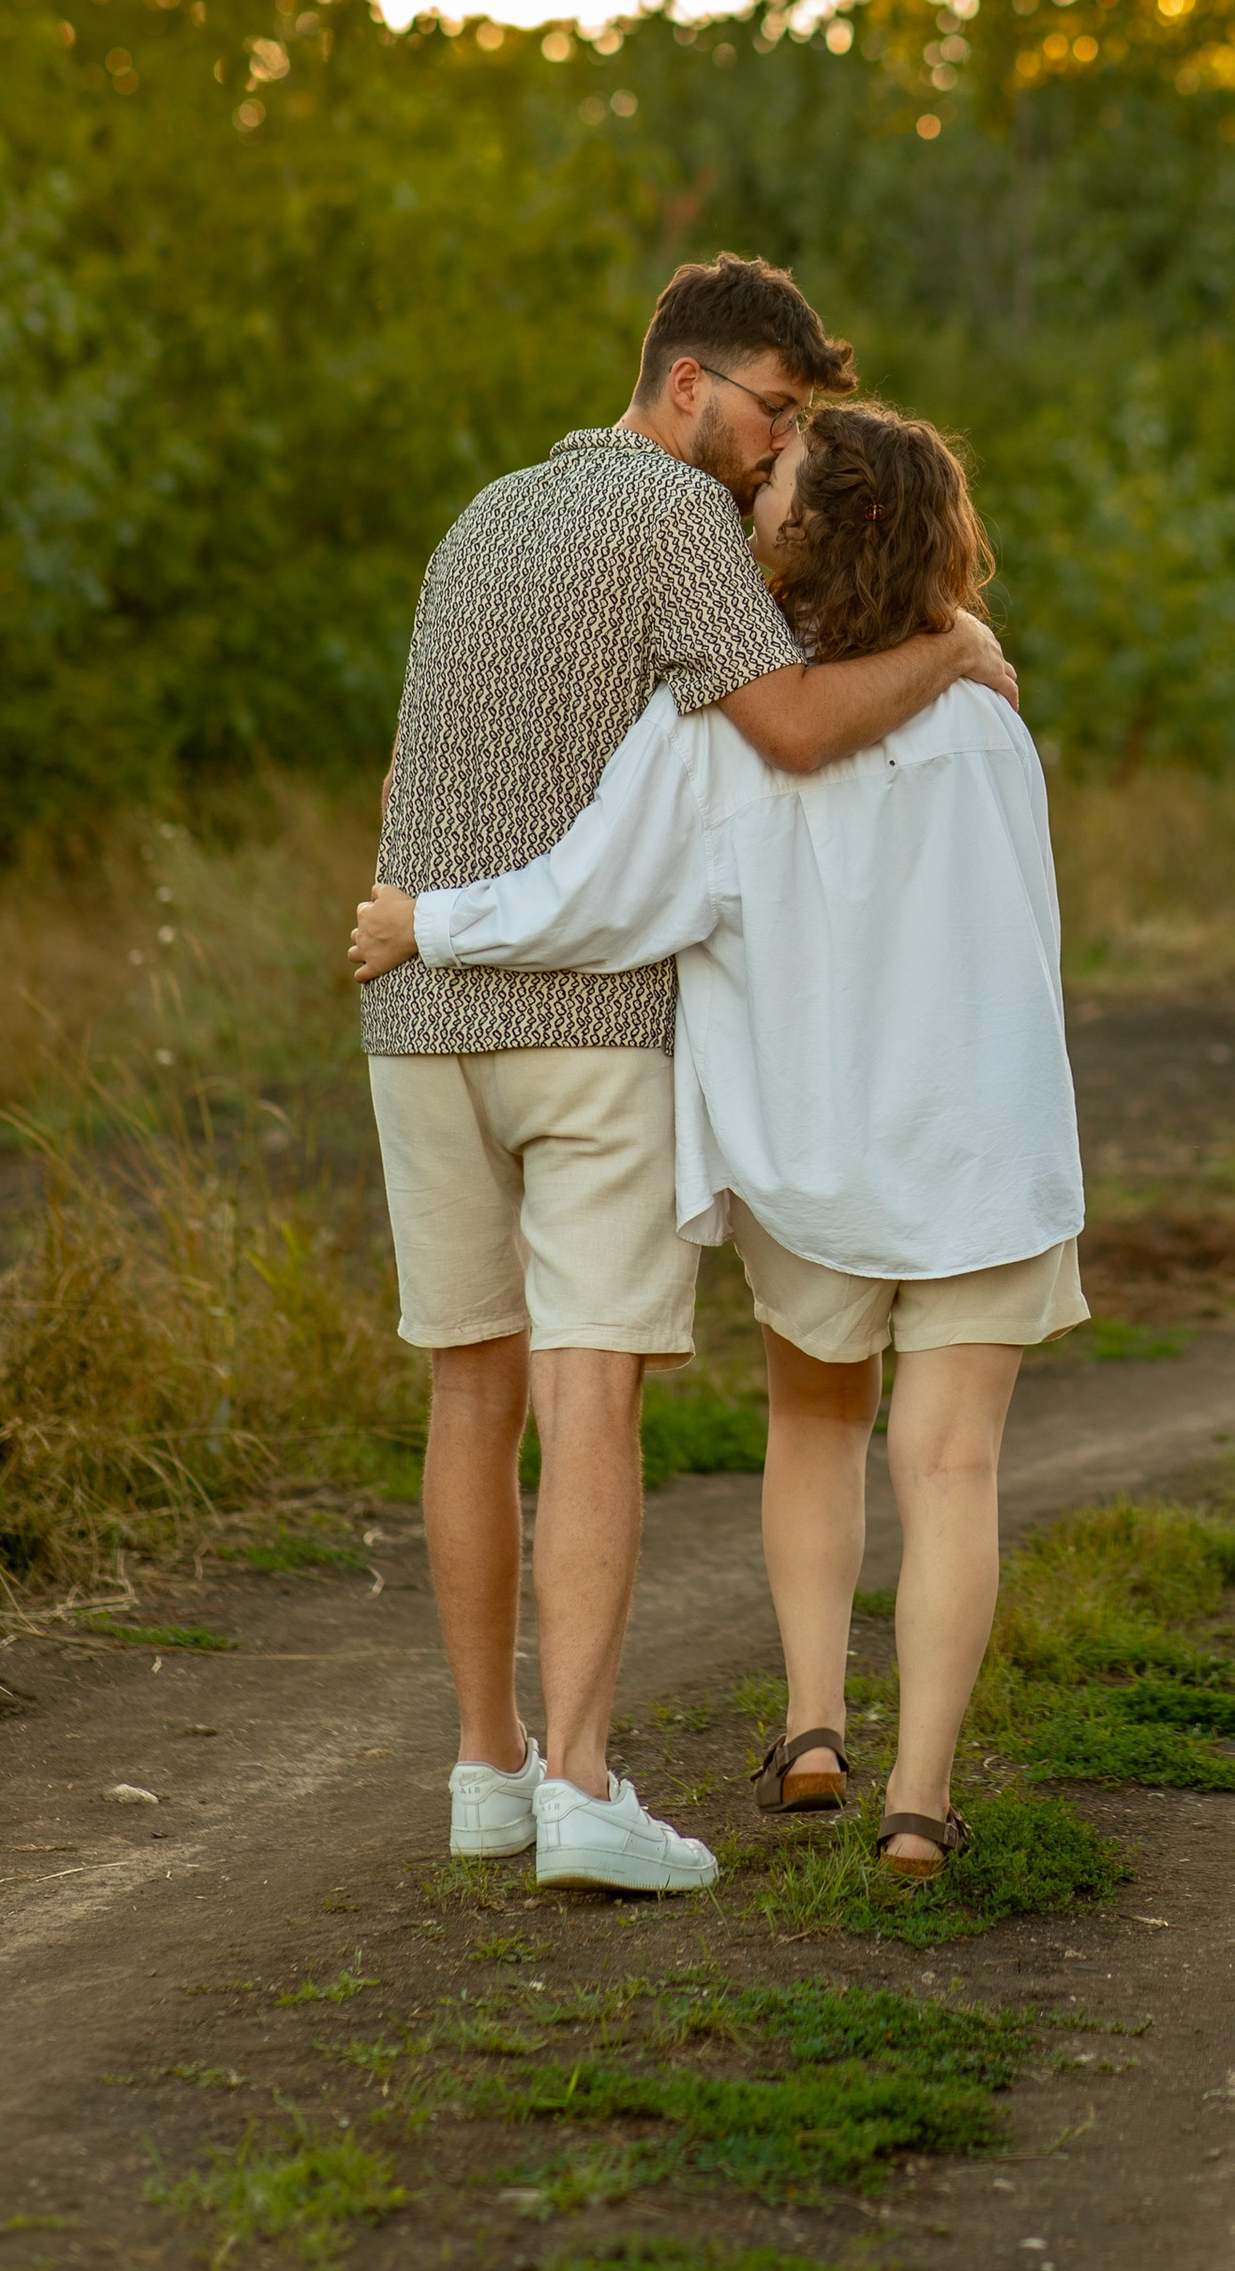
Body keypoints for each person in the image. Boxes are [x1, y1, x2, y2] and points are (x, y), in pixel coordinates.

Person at [351, 399, 1083, 1881]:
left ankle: (814, 1721)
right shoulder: (990, 725)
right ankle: (920, 1804)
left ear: (818, 534)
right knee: (950, 1470)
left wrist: (430, 920)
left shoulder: (713, 737)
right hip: (984, 1157)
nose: (751, 503)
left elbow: (592, 895)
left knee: (816, 1427)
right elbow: (1028, 942)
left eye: (777, 491)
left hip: (814, 1160)